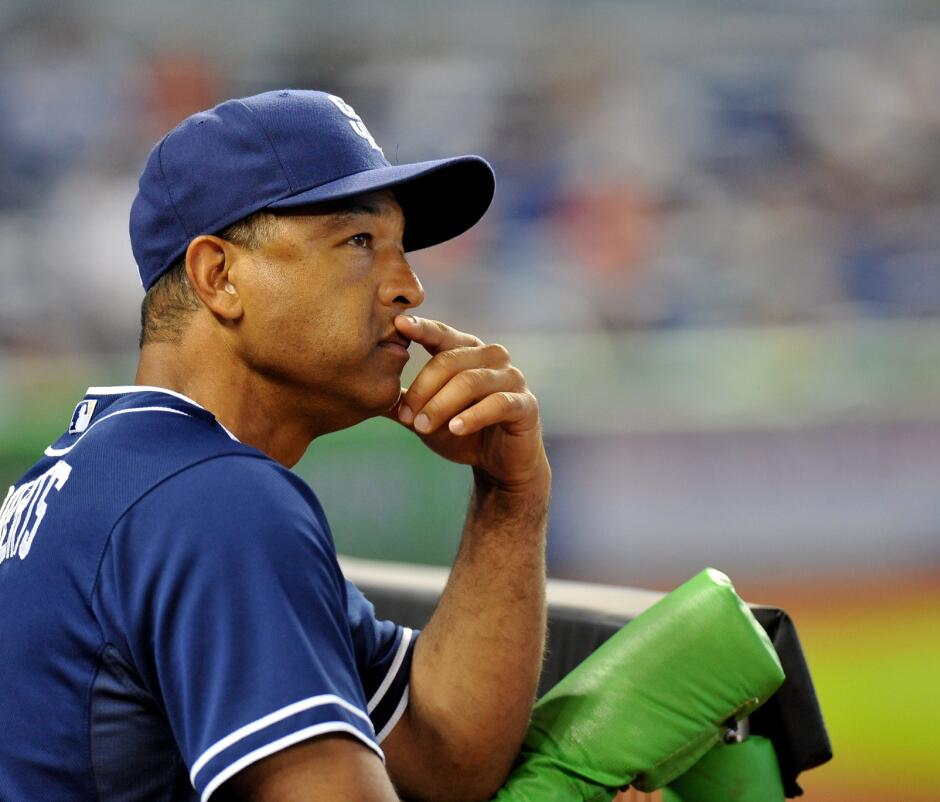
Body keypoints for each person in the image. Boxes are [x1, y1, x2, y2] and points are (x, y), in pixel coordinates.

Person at [0, 89, 551, 802]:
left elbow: (438, 757)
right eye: (358, 243)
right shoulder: (211, 500)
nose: (409, 287)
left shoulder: (118, 473)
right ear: (219, 277)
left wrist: (512, 498)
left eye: (401, 248)